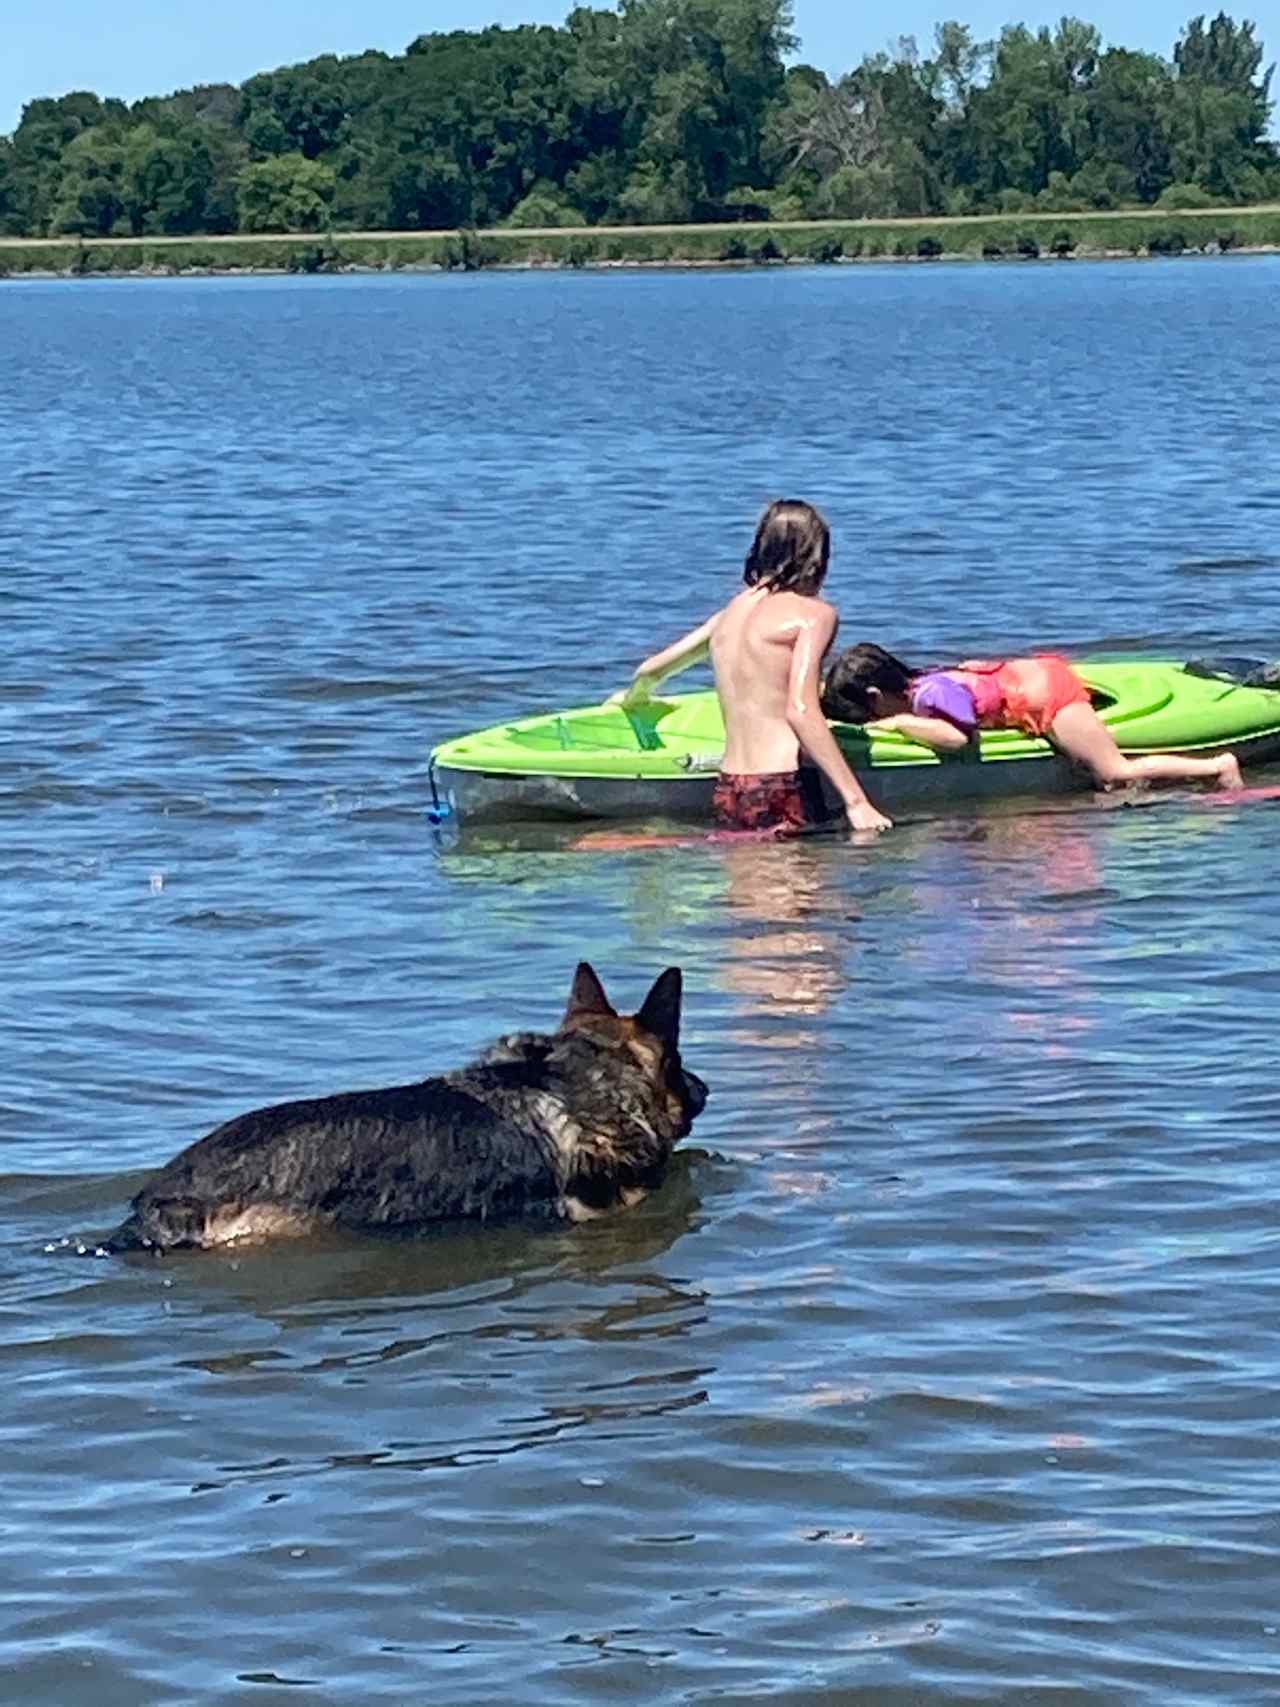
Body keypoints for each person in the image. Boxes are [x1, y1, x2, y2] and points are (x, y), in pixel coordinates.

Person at [611, 501, 892, 834]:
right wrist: (857, 802)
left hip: (731, 787)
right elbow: (800, 711)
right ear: (816, 557)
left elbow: (650, 671)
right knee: (805, 883)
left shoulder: (730, 614)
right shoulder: (814, 615)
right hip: (782, 783)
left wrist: (634, 699)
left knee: (748, 883)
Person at [820, 642, 1244, 790]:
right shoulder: (920, 687)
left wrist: (895, 726)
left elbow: (959, 738)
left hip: (1052, 698)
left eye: (863, 714)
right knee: (1104, 781)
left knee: (1115, 773)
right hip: (1035, 685)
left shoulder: (933, 693)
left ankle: (1217, 768)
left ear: (876, 698)